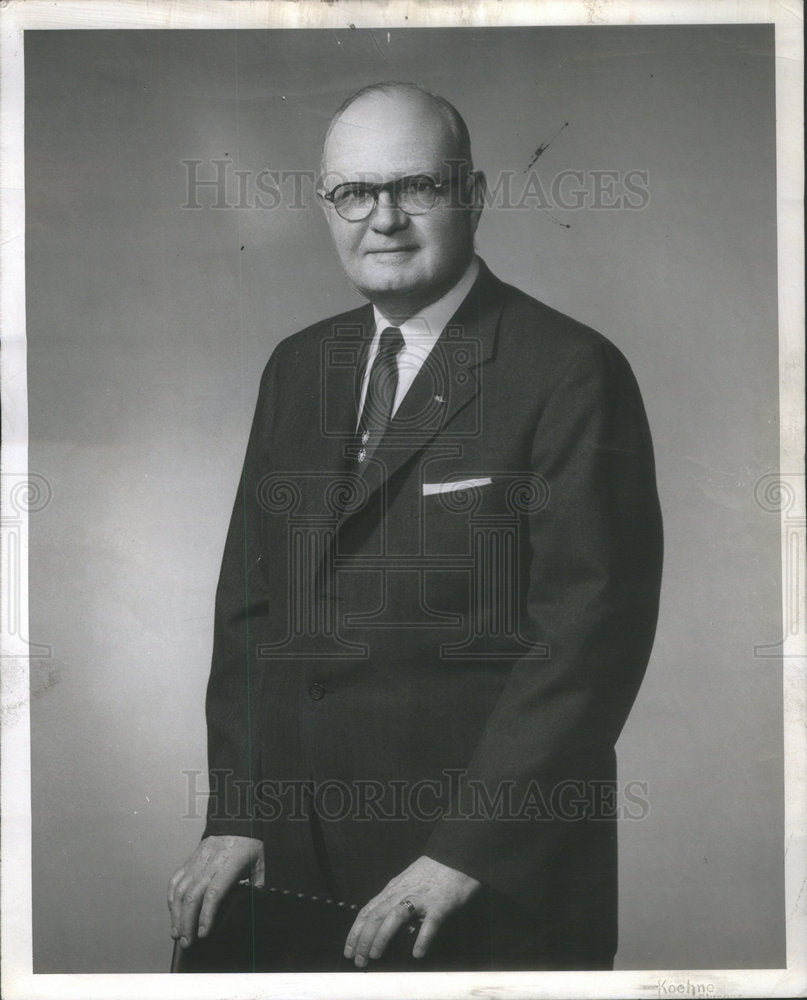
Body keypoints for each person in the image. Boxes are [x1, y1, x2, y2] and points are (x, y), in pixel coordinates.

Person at [168, 81, 663, 972]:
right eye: (353, 192)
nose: (382, 218)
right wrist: (241, 809)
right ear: (328, 206)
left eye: (417, 188)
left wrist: (463, 854)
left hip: (485, 879)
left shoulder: (570, 371)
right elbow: (252, 611)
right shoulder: (298, 366)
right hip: (303, 858)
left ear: (471, 196)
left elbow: (586, 647)